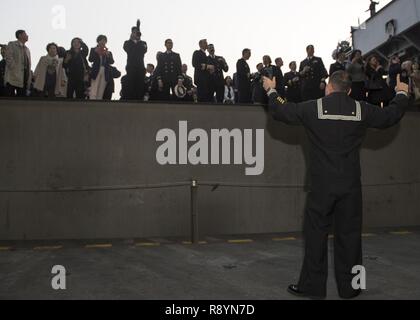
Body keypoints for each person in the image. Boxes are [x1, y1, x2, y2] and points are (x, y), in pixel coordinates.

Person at [263, 70, 410, 300]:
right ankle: (352, 287)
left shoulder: (313, 108)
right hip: (350, 186)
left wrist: (272, 90)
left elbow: (281, 110)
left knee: (315, 236)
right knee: (350, 236)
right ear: (349, 90)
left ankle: (312, 287)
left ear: (328, 87)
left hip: (321, 186)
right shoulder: (361, 109)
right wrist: (401, 94)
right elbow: (390, 116)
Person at [124, 22, 148, 100]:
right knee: (130, 85)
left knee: (140, 85)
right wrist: (132, 40)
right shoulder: (127, 43)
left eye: (137, 33)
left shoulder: (143, 43)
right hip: (131, 67)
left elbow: (143, 50)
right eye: (134, 32)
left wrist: (138, 41)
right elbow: (128, 50)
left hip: (140, 68)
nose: (136, 34)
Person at [4, 30, 32, 97]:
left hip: (24, 78)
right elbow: (8, 58)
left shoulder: (27, 49)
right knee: (10, 99)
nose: (27, 36)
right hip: (12, 78)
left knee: (21, 101)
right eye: (25, 34)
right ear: (20, 35)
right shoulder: (12, 44)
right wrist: (14, 69)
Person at [88, 35, 114, 100]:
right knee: (94, 88)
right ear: (98, 41)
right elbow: (90, 59)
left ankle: (98, 103)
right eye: (101, 40)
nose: (103, 42)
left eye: (104, 40)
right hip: (96, 70)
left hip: (105, 71)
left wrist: (108, 55)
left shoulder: (108, 52)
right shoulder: (93, 49)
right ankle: (92, 101)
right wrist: (96, 52)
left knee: (101, 89)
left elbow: (112, 62)